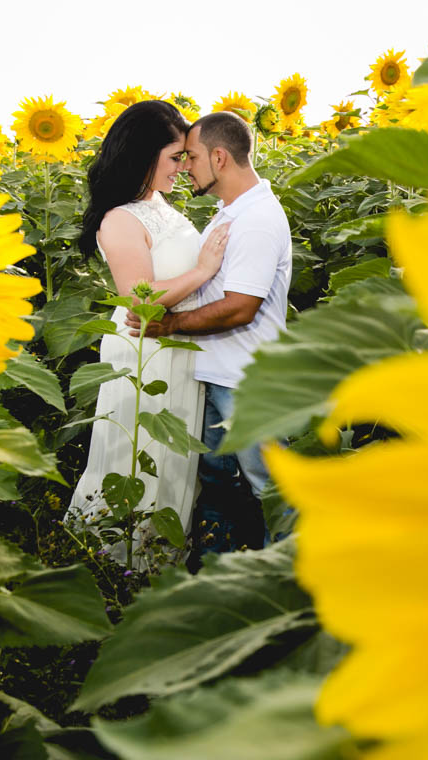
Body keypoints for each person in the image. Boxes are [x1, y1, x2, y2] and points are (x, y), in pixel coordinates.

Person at [68, 100, 231, 559]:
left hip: (177, 350)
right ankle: (117, 564)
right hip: (144, 353)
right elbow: (140, 301)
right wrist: (202, 271)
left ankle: (162, 562)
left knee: (175, 458)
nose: (183, 167)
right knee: (140, 455)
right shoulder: (119, 218)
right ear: (144, 153)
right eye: (175, 157)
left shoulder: (158, 204)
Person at [127, 111, 293, 555]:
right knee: (217, 487)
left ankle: (291, 590)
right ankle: (219, 573)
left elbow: (240, 307)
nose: (185, 167)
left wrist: (170, 325)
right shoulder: (232, 211)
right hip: (220, 375)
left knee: (273, 492)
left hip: (248, 381)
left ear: (219, 158)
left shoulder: (256, 219)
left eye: (193, 157)